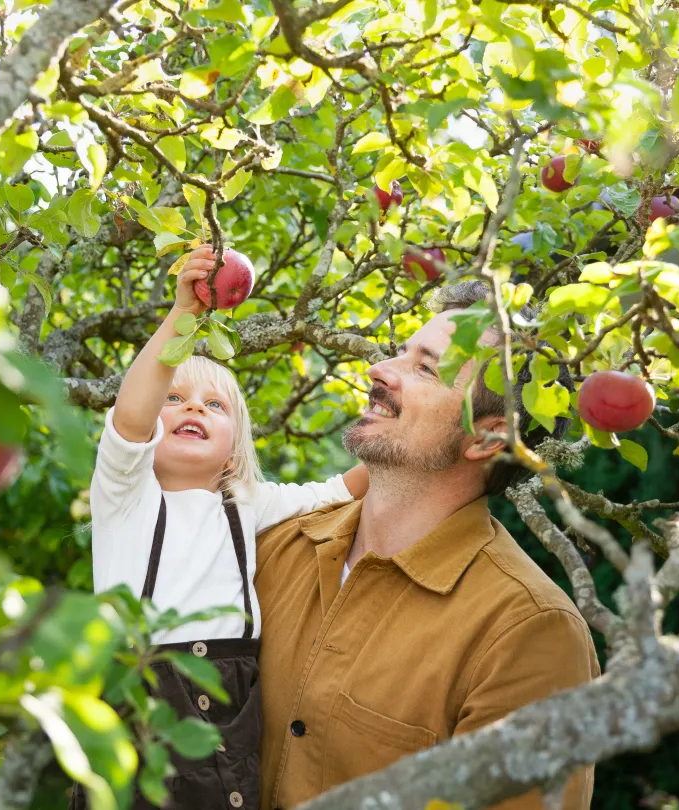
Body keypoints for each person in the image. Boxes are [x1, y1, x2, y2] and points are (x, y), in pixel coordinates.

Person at [254, 278, 599, 810]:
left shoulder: (528, 632)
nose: (379, 371)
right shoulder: (273, 549)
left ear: (486, 439)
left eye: (425, 369)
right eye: (399, 353)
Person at [87, 244, 369, 810]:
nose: (193, 408)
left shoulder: (246, 503)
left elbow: (338, 490)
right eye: (175, 398)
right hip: (146, 696)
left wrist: (413, 436)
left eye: (214, 406)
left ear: (235, 455)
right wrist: (182, 319)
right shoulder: (124, 496)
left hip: (233, 698)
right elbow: (131, 419)